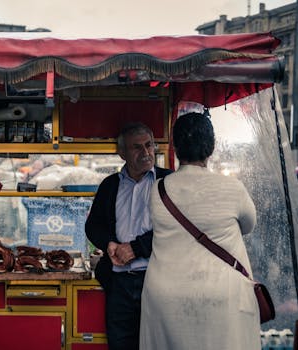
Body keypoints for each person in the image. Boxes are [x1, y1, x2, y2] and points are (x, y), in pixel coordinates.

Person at [140, 113, 259, 349]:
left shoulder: (159, 189)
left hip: (166, 296)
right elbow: (248, 225)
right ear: (212, 147)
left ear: (175, 146)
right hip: (223, 294)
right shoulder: (233, 188)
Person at [85, 123, 172, 350]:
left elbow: (176, 231)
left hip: (157, 281)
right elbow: (93, 226)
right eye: (137, 147)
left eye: (149, 145)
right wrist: (110, 244)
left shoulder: (168, 182)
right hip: (119, 283)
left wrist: (137, 248)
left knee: (158, 344)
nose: (145, 153)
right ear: (121, 152)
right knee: (120, 344)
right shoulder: (110, 185)